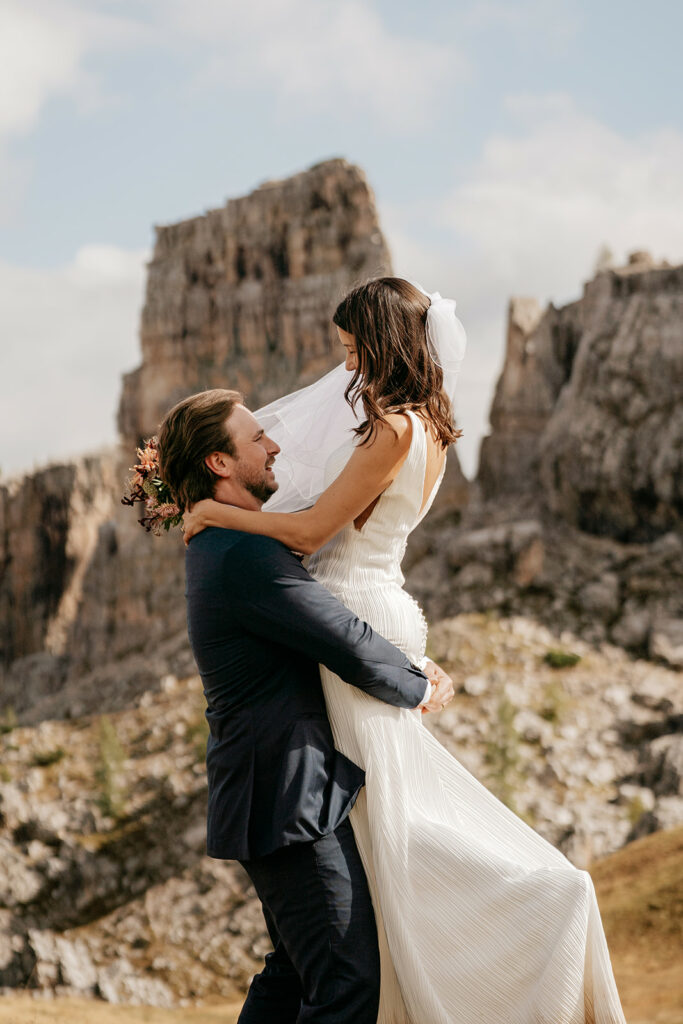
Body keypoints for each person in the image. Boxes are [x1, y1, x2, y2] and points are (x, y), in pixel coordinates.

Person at [182, 278, 627, 1023]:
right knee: (376, 820)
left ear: (383, 343)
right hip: (381, 609)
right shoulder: (430, 429)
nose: (348, 367)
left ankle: (499, 931)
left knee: (388, 819)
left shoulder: (389, 428)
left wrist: (209, 513)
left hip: (355, 609)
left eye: (355, 349)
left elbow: (308, 532)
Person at [156, 386, 454, 1024]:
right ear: (219, 463)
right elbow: (340, 639)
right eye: (256, 439)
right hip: (284, 796)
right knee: (345, 980)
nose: (275, 445)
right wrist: (422, 684)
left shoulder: (229, 545)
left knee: (294, 973)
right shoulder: (242, 555)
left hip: (276, 792)